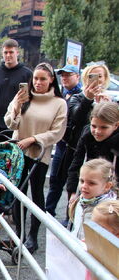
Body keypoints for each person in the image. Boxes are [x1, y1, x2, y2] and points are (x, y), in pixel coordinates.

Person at [4, 62, 67, 254]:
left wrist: (33, 139)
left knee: (37, 194)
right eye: (35, 78)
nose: (38, 82)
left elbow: (57, 132)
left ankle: (33, 236)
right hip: (18, 153)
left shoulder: (59, 103)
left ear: (51, 80)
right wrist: (17, 105)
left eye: (43, 79)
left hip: (39, 154)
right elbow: (9, 123)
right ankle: (19, 234)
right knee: (18, 193)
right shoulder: (23, 96)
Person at [46, 63, 111, 219]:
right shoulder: (78, 97)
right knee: (68, 187)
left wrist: (107, 106)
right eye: (92, 76)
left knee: (97, 193)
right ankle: (62, 218)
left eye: (100, 76)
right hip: (74, 151)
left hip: (101, 157)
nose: (97, 80)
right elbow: (75, 119)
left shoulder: (111, 102)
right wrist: (88, 100)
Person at [45, 64, 83, 218]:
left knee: (72, 184)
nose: (65, 78)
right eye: (63, 75)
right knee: (55, 180)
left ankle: (70, 217)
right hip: (61, 144)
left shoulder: (81, 96)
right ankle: (48, 212)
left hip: (75, 147)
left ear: (77, 77)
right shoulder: (60, 95)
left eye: (69, 75)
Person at [65, 101, 119, 202]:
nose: (97, 131)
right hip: (87, 190)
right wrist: (72, 191)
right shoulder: (87, 136)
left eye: (103, 127)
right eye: (94, 126)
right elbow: (77, 163)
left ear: (116, 125)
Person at [0, 39, 33, 140]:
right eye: (5, 52)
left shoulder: (27, 74)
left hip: (15, 126)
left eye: (11, 52)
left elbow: (31, 100)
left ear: (17, 53)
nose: (8, 55)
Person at [68, 158, 117, 240]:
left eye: (91, 183)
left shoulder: (109, 211)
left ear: (107, 186)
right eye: (82, 181)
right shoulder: (81, 201)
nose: (84, 186)